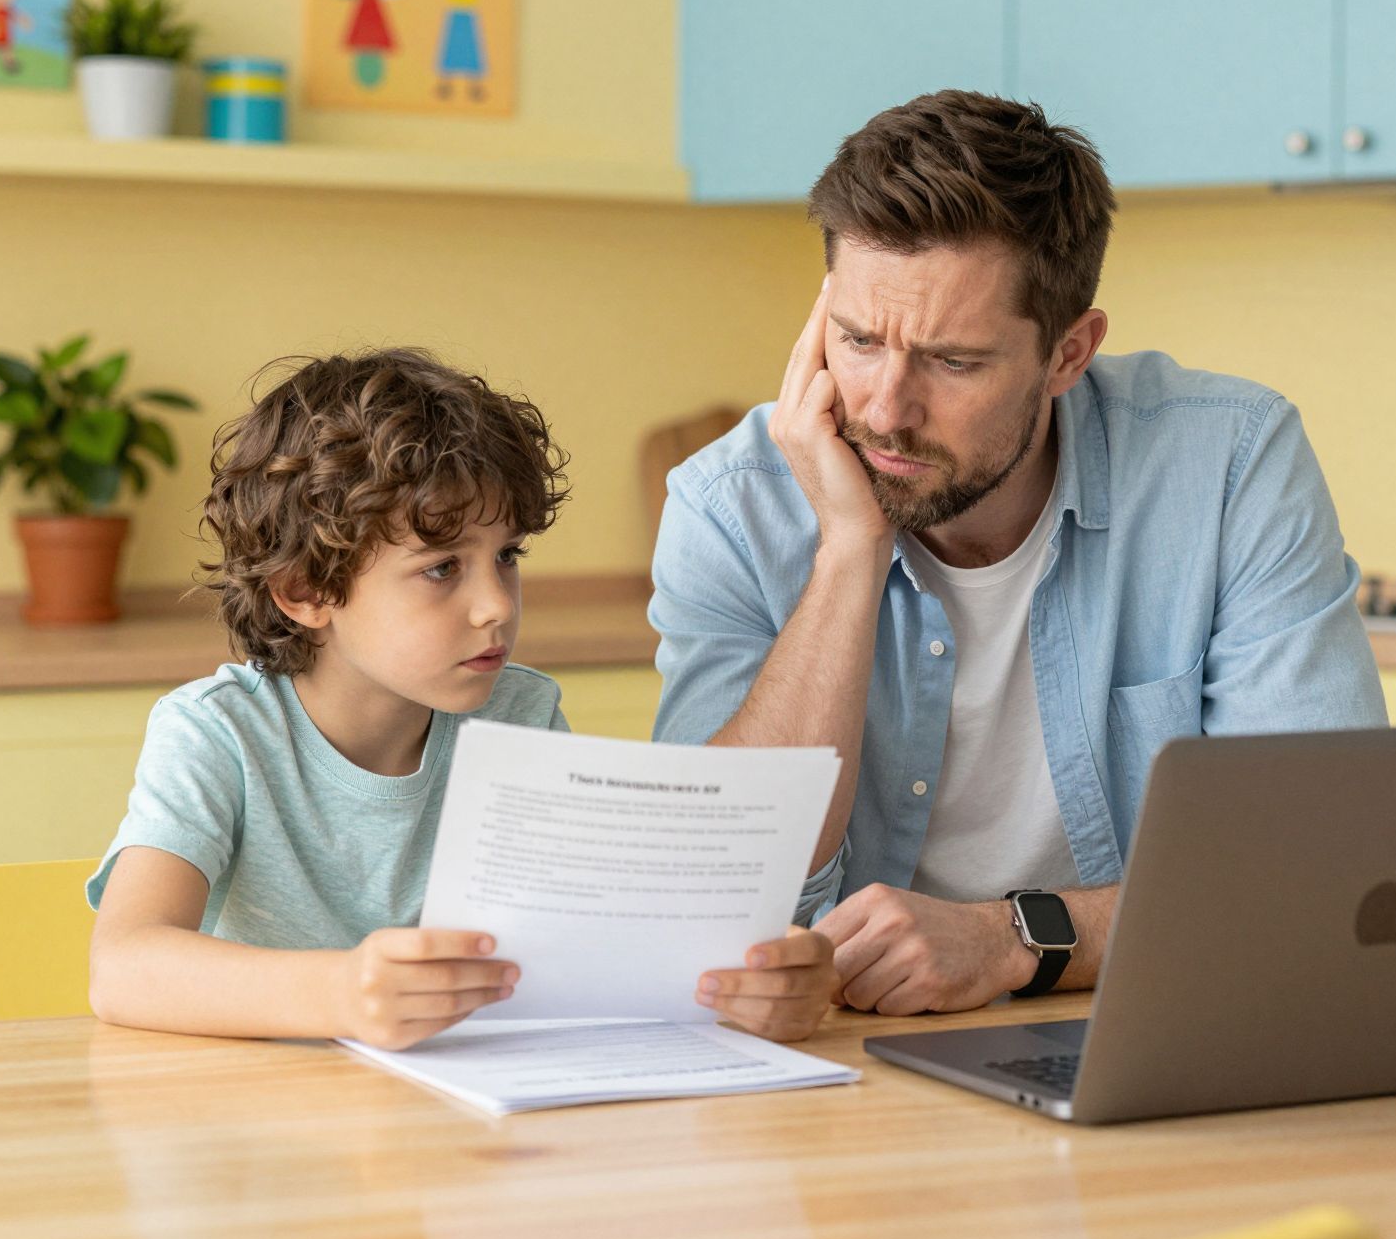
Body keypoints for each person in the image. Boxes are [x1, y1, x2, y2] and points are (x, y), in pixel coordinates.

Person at [649, 90, 1387, 1018]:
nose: (884, 408)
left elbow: (1320, 868)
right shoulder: (731, 505)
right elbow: (707, 893)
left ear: (1070, 353)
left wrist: (1010, 940)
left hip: (1143, 1024)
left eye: (953, 362)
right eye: (858, 340)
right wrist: (849, 546)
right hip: (843, 1051)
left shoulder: (1230, 462)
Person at [88, 349, 835, 1050]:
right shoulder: (217, 735)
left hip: (466, 1122)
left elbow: (596, 943)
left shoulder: (521, 714)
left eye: (506, 557)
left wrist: (750, 983)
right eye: (442, 568)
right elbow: (122, 965)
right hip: (270, 1138)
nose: (496, 607)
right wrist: (345, 992)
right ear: (306, 590)